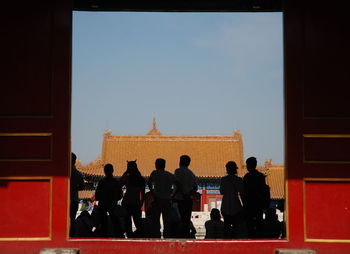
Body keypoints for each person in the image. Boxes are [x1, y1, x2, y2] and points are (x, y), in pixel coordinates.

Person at [148, 158, 177, 238]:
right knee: (167, 220)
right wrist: (173, 196)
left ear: (156, 165)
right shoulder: (170, 175)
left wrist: (152, 193)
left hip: (157, 199)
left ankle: (156, 235)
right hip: (167, 200)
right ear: (164, 165)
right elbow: (178, 185)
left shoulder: (154, 173)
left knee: (156, 219)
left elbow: (149, 182)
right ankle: (166, 235)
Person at [220, 161, 248, 239]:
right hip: (236, 205)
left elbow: (221, 191)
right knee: (236, 227)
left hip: (226, 205)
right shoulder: (239, 180)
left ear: (227, 169)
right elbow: (242, 192)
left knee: (226, 227)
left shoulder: (223, 180)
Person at [95, 163, 123, 238]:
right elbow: (120, 195)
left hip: (103, 205)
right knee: (115, 223)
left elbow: (97, 195)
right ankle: (118, 236)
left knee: (103, 224)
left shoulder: (101, 182)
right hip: (113, 205)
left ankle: (103, 237)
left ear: (104, 171)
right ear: (112, 170)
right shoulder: (116, 182)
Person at [173, 155, 198, 238]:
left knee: (177, 220)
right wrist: (188, 194)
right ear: (189, 163)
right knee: (186, 221)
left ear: (180, 162)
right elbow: (195, 188)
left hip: (178, 199)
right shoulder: (191, 174)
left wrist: (179, 194)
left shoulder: (177, 171)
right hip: (188, 200)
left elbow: (177, 184)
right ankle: (186, 236)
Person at [120, 160, 145, 238]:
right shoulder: (141, 179)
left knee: (127, 223)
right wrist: (141, 203)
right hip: (136, 203)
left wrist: (126, 172)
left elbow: (120, 183)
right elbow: (143, 194)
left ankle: (129, 237)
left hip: (127, 202)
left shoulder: (127, 178)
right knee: (138, 222)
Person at [243, 157, 267, 238]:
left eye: (247, 165)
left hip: (249, 205)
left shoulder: (247, 177)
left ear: (249, 165)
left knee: (249, 227)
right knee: (259, 224)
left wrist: (244, 203)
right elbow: (263, 190)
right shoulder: (260, 176)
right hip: (258, 205)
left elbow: (243, 192)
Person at [70, 152, 85, 237]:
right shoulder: (78, 174)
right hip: (74, 200)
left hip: (64, 200)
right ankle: (72, 235)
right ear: (75, 161)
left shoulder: (63, 172)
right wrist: (75, 188)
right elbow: (82, 187)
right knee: (72, 219)